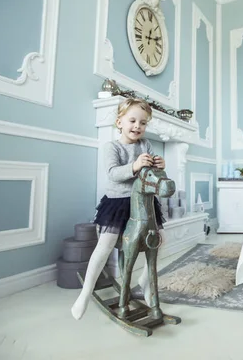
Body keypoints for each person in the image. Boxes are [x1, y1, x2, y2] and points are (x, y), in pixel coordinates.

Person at [71, 98, 166, 320]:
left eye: (143, 123)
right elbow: (113, 173)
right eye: (132, 120)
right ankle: (85, 293)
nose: (137, 126)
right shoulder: (111, 147)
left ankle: (145, 283)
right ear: (119, 122)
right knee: (105, 245)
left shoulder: (146, 145)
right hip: (118, 203)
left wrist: (159, 166)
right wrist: (135, 165)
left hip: (143, 203)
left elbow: (149, 175)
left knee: (161, 238)